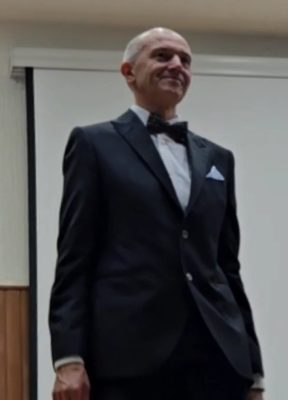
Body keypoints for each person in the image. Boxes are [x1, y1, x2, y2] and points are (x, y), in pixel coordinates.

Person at [49, 27, 264, 400]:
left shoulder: (219, 159)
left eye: (186, 60)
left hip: (217, 358)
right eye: (162, 56)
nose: (177, 65)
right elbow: (74, 257)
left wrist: (254, 368)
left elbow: (227, 268)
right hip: (128, 358)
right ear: (128, 72)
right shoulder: (93, 144)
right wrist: (68, 358)